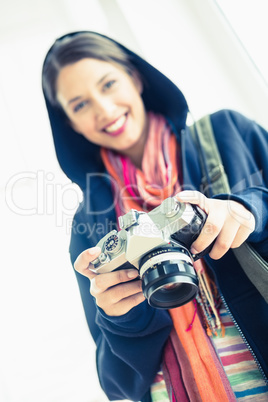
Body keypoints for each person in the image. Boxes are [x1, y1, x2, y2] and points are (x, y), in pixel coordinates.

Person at [42, 31, 268, 401]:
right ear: (70, 124)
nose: (103, 109)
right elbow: (118, 384)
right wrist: (120, 317)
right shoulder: (90, 223)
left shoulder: (230, 135)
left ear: (135, 77)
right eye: (80, 105)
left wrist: (248, 209)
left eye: (109, 84)